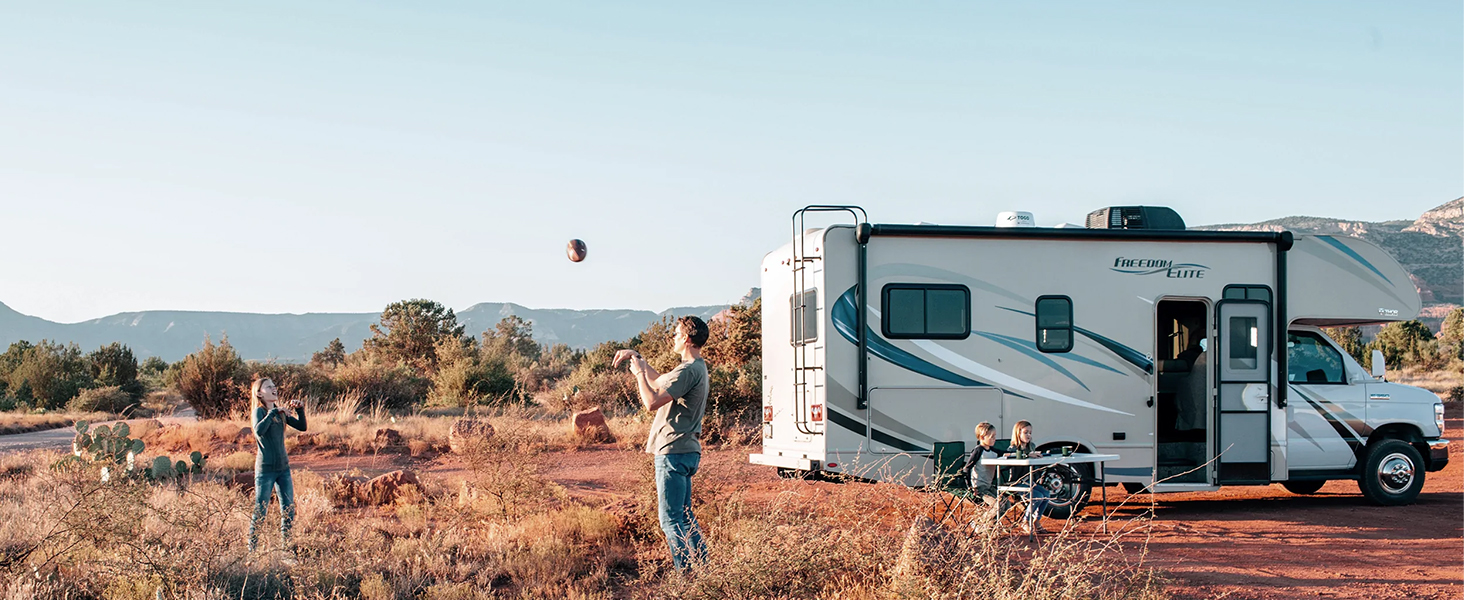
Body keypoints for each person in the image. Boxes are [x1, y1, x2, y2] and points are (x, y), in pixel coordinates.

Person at [614, 316, 711, 571]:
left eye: (677, 334)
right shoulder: (696, 367)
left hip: (672, 452)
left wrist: (637, 376)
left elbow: (651, 401)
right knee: (685, 516)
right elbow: (660, 383)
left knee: (670, 520)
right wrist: (639, 359)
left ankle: (686, 576)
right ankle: (703, 571)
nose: (674, 337)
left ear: (687, 339)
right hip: (686, 451)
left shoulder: (688, 370)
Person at [249, 376, 307, 555]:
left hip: (283, 469)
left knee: (288, 509)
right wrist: (273, 412)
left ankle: (286, 550)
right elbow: (258, 431)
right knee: (261, 510)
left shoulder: (281, 413)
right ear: (259, 393)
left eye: (274, 386)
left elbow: (302, 427)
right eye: (268, 387)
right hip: (265, 470)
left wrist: (300, 410)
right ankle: (252, 551)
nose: (274, 388)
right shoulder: (259, 412)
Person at [1007, 420, 1051, 535]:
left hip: (1029, 481)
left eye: (1030, 433)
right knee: (1037, 496)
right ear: (1018, 433)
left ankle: (1036, 520)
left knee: (1046, 494)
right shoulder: (1013, 448)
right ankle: (1025, 520)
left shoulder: (1031, 446)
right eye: (1026, 432)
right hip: (1016, 482)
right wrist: (1027, 456)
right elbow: (1009, 457)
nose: (1029, 435)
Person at [960, 421, 1002, 515]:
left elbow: (1004, 453)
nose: (995, 439)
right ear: (982, 437)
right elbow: (967, 468)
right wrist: (970, 486)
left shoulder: (993, 450)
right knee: (997, 505)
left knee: (1005, 503)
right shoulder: (978, 450)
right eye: (992, 437)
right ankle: (981, 525)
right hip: (979, 487)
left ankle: (992, 525)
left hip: (989, 485)